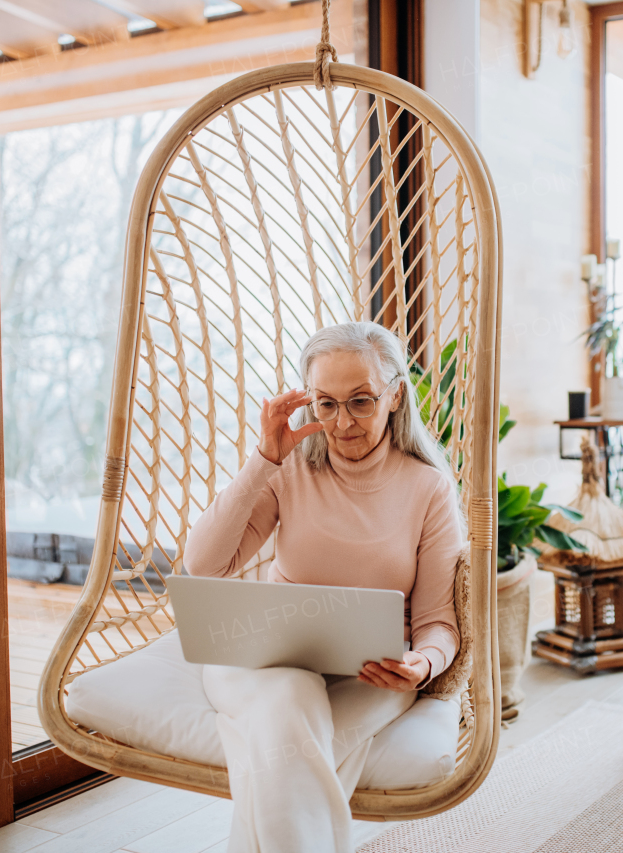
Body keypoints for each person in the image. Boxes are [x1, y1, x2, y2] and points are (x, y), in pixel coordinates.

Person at [183, 321, 465, 853]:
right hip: (261, 660)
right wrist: (264, 458)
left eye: (360, 401)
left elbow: (437, 621)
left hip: (370, 677)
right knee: (291, 693)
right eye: (325, 404)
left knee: (275, 762)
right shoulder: (287, 469)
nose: (342, 422)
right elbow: (205, 567)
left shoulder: (427, 488)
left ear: (395, 395)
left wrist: (423, 664)